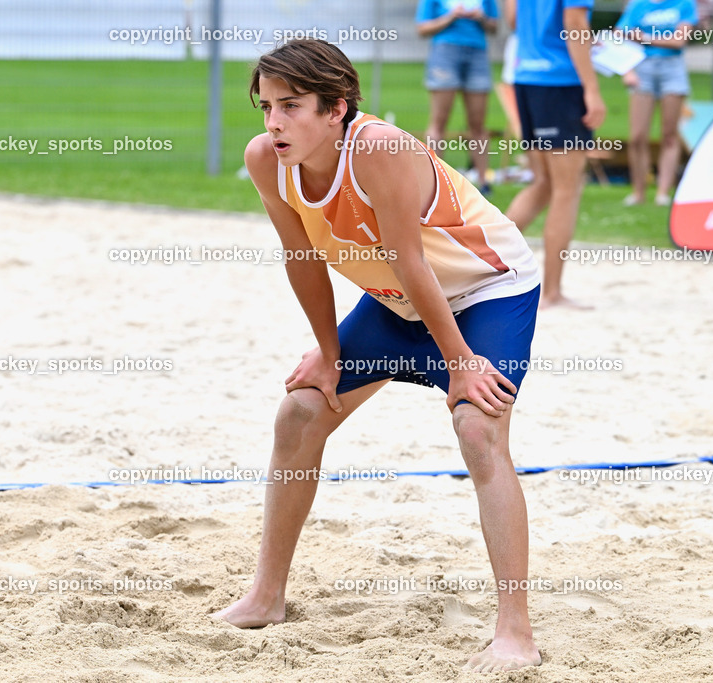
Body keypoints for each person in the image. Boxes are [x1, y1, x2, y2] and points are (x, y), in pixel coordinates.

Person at [213, 38, 543, 673]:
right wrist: (329, 352)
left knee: (477, 428)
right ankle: (266, 596)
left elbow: (409, 259)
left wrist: (462, 362)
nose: (274, 123)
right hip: (398, 303)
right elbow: (302, 257)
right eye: (266, 106)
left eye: (291, 106)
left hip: (484, 290)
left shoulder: (381, 149)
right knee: (299, 415)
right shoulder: (267, 160)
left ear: (336, 107)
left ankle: (514, 630)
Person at [503, 0, 606, 308]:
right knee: (566, 189)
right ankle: (551, 292)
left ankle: (478, 265)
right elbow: (574, 24)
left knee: (545, 183)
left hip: (527, 77)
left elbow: (513, 20)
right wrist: (592, 87)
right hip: (560, 82)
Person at [616, 0, 698, 206]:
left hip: (672, 69)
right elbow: (619, 36)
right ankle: (638, 192)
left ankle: (663, 192)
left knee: (669, 134)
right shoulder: (637, 5)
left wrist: (643, 37)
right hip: (642, 68)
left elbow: (679, 41)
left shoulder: (684, 4)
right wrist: (627, 70)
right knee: (637, 136)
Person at [416, 0, 499, 194]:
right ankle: (435, 182)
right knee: (438, 122)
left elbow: (495, 27)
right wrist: (451, 16)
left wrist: (482, 18)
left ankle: (484, 182)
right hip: (445, 52)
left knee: (478, 125)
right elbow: (422, 28)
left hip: (477, 53)